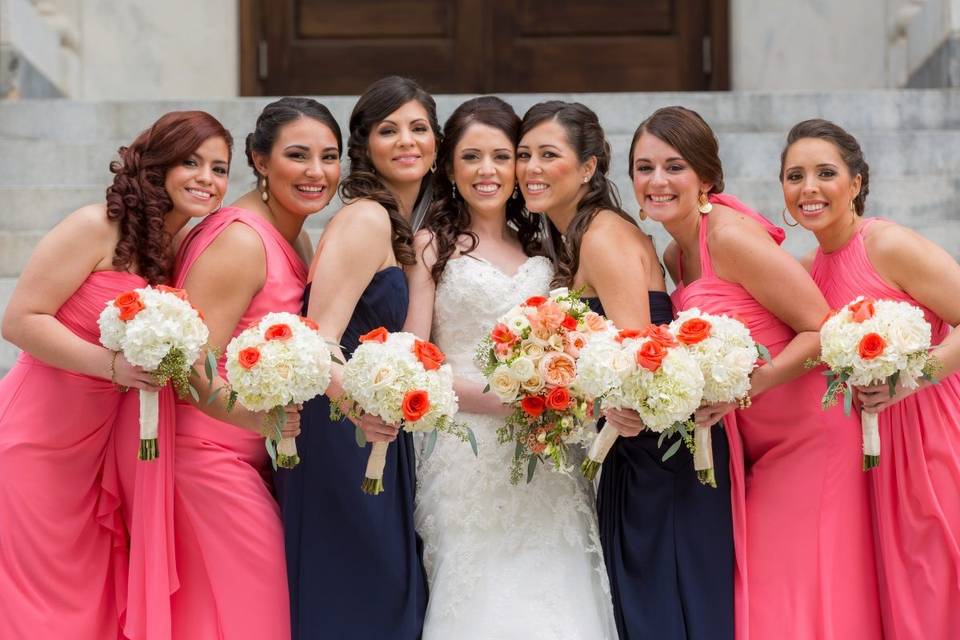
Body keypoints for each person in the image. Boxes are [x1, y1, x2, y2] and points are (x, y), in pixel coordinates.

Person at [634, 106, 882, 639]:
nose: (657, 181)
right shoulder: (674, 253)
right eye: (644, 167)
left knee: (795, 591)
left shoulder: (727, 238)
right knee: (766, 592)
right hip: (753, 440)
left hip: (810, 434)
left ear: (706, 178)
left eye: (674, 166)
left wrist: (749, 385)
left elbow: (823, 330)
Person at [0, 110, 231, 639]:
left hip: (101, 452)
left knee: (87, 603)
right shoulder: (95, 226)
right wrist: (115, 368)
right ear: (157, 167)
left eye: (219, 169)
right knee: (32, 605)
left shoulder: (180, 251)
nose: (206, 178)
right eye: (190, 162)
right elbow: (19, 320)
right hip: (36, 439)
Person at [404, 96, 615, 638]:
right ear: (448, 166)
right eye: (471, 157)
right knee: (477, 589)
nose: (488, 171)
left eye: (502, 156)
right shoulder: (431, 245)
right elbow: (416, 356)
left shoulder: (544, 239)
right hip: (465, 446)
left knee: (557, 582)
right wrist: (503, 401)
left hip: (548, 444)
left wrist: (561, 388)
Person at [781, 118, 960, 640]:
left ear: (856, 183)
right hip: (867, 455)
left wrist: (911, 378)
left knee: (941, 573)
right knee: (900, 591)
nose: (808, 188)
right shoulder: (807, 269)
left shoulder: (888, 245)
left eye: (825, 173)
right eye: (794, 176)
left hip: (929, 435)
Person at [275, 76, 437, 639]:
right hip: (341, 427)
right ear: (365, 145)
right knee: (361, 588)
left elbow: (412, 347)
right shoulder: (366, 218)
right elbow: (315, 342)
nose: (406, 141)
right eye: (388, 130)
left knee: (388, 585)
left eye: (419, 128)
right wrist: (367, 405)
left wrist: (422, 269)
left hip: (381, 427)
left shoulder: (403, 230)